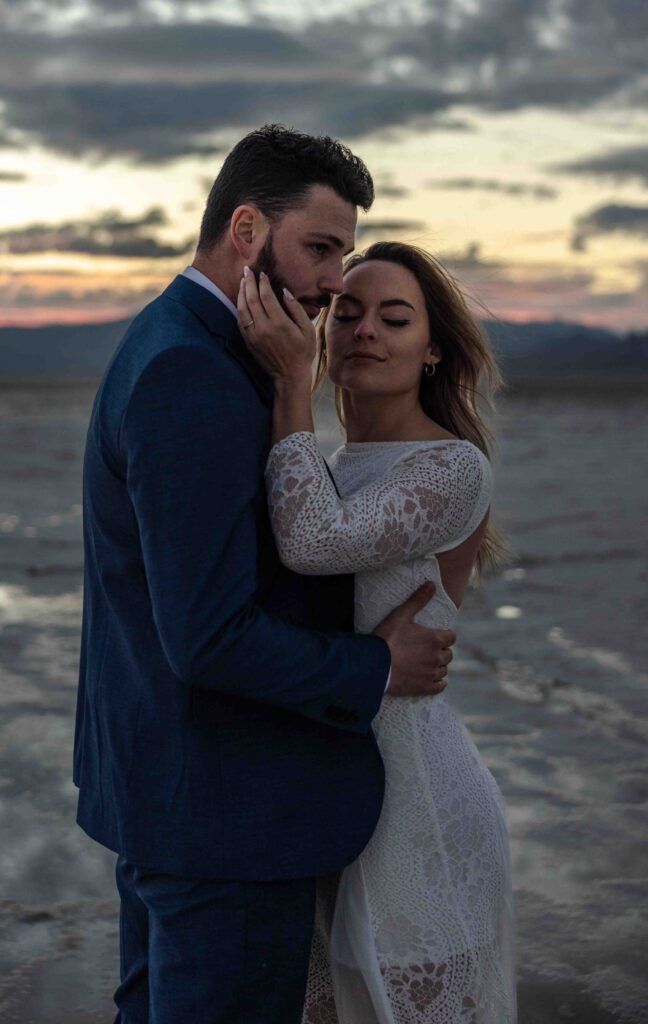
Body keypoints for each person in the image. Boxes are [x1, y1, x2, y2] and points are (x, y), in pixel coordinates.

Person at [73, 126, 458, 1024]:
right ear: (246, 230)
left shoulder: (183, 344)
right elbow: (208, 635)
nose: (335, 281)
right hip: (225, 818)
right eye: (320, 249)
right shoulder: (191, 374)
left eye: (345, 255)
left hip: (177, 796)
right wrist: (378, 668)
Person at [238, 240, 517, 1023]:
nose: (365, 330)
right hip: (330, 794)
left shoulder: (454, 468)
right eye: (348, 314)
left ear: (432, 350)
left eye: (394, 318)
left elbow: (313, 544)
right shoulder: (326, 467)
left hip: (418, 804)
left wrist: (290, 382)